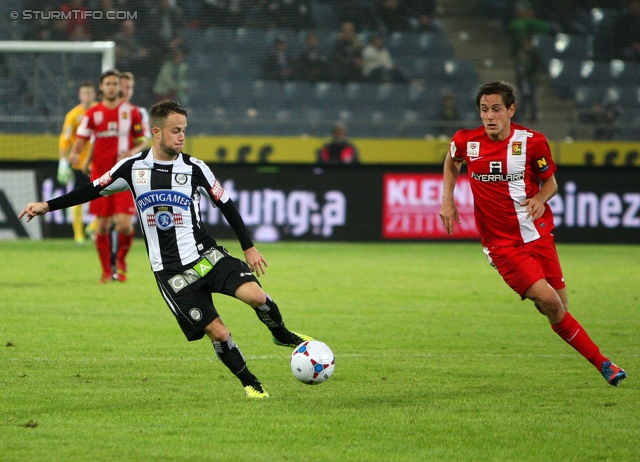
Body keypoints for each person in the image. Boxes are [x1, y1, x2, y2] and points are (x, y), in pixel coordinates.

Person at [20, 100, 313, 399]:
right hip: (172, 273)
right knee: (219, 333)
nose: (182, 136)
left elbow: (226, 204)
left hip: (206, 256)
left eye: (184, 130)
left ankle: (282, 334)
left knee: (257, 297)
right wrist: (47, 205)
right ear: (156, 132)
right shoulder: (132, 168)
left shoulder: (195, 168)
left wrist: (248, 248)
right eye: (176, 131)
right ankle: (252, 384)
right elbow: (92, 189)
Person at [439, 81, 627, 387]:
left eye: (496, 109)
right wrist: (447, 198)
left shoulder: (532, 142)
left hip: (538, 236)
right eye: (484, 109)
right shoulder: (466, 141)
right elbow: (452, 160)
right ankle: (605, 364)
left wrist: (540, 199)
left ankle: (571, 333)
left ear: (511, 110)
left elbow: (550, 183)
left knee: (559, 308)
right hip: (502, 246)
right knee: (552, 304)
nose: (489, 116)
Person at [69, 70, 147, 283]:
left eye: (115, 84)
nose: (112, 87)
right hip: (100, 176)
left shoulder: (131, 112)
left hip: (123, 177)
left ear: (118, 87)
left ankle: (121, 261)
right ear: (101, 88)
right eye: (108, 84)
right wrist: (76, 153)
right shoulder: (93, 114)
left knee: (124, 224)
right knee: (101, 226)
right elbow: (83, 138)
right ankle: (105, 271)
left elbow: (143, 141)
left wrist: (132, 151)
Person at [58, 81, 97, 246]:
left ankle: (93, 228)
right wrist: (63, 163)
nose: (87, 96)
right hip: (80, 165)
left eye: (90, 92)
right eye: (84, 93)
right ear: (80, 96)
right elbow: (65, 139)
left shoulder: (100, 112)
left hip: (99, 163)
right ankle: (79, 235)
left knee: (106, 196)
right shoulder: (73, 116)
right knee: (78, 198)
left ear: (94, 94)